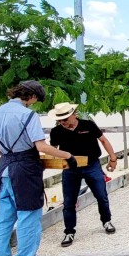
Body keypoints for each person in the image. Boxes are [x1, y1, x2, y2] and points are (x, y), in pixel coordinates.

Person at [0, 81, 74, 256]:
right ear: (32, 96)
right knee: (28, 213)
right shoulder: (27, 115)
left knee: (4, 217)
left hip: (4, 169)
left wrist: (11, 156)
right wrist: (68, 156)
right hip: (25, 169)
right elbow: (41, 147)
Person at [48, 102, 117, 247]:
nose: (63, 122)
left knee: (101, 195)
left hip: (92, 165)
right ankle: (69, 231)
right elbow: (52, 150)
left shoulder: (88, 125)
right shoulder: (56, 131)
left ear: (74, 114)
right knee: (69, 202)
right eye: (59, 120)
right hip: (70, 168)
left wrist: (112, 158)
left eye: (65, 119)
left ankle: (106, 221)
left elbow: (103, 140)